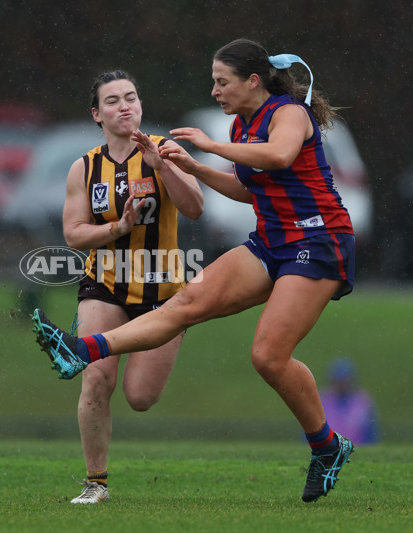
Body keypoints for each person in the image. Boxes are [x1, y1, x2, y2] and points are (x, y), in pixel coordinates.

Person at [33, 38, 357, 504]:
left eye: (221, 82)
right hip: (272, 241)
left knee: (267, 355)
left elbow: (280, 157)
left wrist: (208, 145)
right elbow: (251, 192)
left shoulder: (289, 114)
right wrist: (195, 166)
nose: (214, 91)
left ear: (252, 81)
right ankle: (81, 349)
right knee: (185, 303)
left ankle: (327, 447)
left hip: (319, 241)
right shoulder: (242, 127)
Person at [52, 70, 203, 504]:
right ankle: (95, 483)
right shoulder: (85, 167)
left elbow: (195, 207)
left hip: (163, 291)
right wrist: (117, 227)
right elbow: (75, 234)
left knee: (140, 397)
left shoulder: (165, 150)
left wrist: (163, 168)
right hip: (105, 284)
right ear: (97, 114)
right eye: (114, 101)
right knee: (96, 379)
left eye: (132, 97)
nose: (126, 106)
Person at [320, 357, 380, 445]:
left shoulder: (363, 403)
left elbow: (371, 433)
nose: (341, 385)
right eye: (338, 381)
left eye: (344, 381)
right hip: (326, 451)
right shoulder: (322, 400)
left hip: (357, 450)